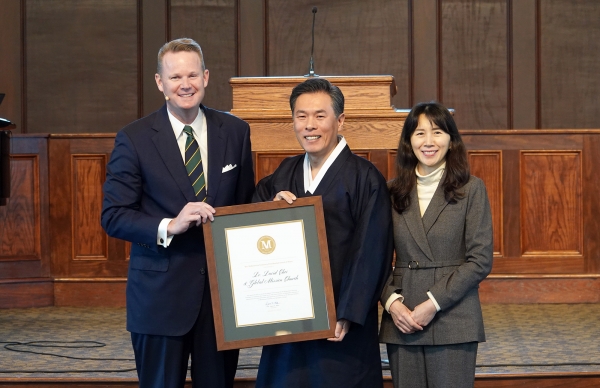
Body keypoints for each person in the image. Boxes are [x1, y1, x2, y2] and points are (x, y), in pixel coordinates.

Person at [101, 38, 255, 388]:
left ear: (206, 77)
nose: (185, 84)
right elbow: (113, 215)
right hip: (159, 300)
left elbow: (245, 205)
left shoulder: (235, 131)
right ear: (160, 83)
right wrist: (170, 225)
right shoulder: (134, 138)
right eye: (175, 78)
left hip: (221, 302)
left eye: (192, 75)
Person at [253, 78, 394, 387]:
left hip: (340, 326)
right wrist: (268, 209)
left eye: (320, 115)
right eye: (301, 116)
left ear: (340, 120)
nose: (309, 125)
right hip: (289, 322)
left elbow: (371, 252)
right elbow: (252, 227)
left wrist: (347, 313)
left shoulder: (364, 178)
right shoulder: (284, 174)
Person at [379, 102, 493, 388]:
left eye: (438, 132)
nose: (428, 142)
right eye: (419, 133)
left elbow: (479, 260)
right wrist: (392, 304)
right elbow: (373, 258)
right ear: (408, 142)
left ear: (452, 140)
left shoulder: (471, 189)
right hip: (403, 318)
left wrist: (433, 303)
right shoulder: (390, 192)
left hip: (453, 315)